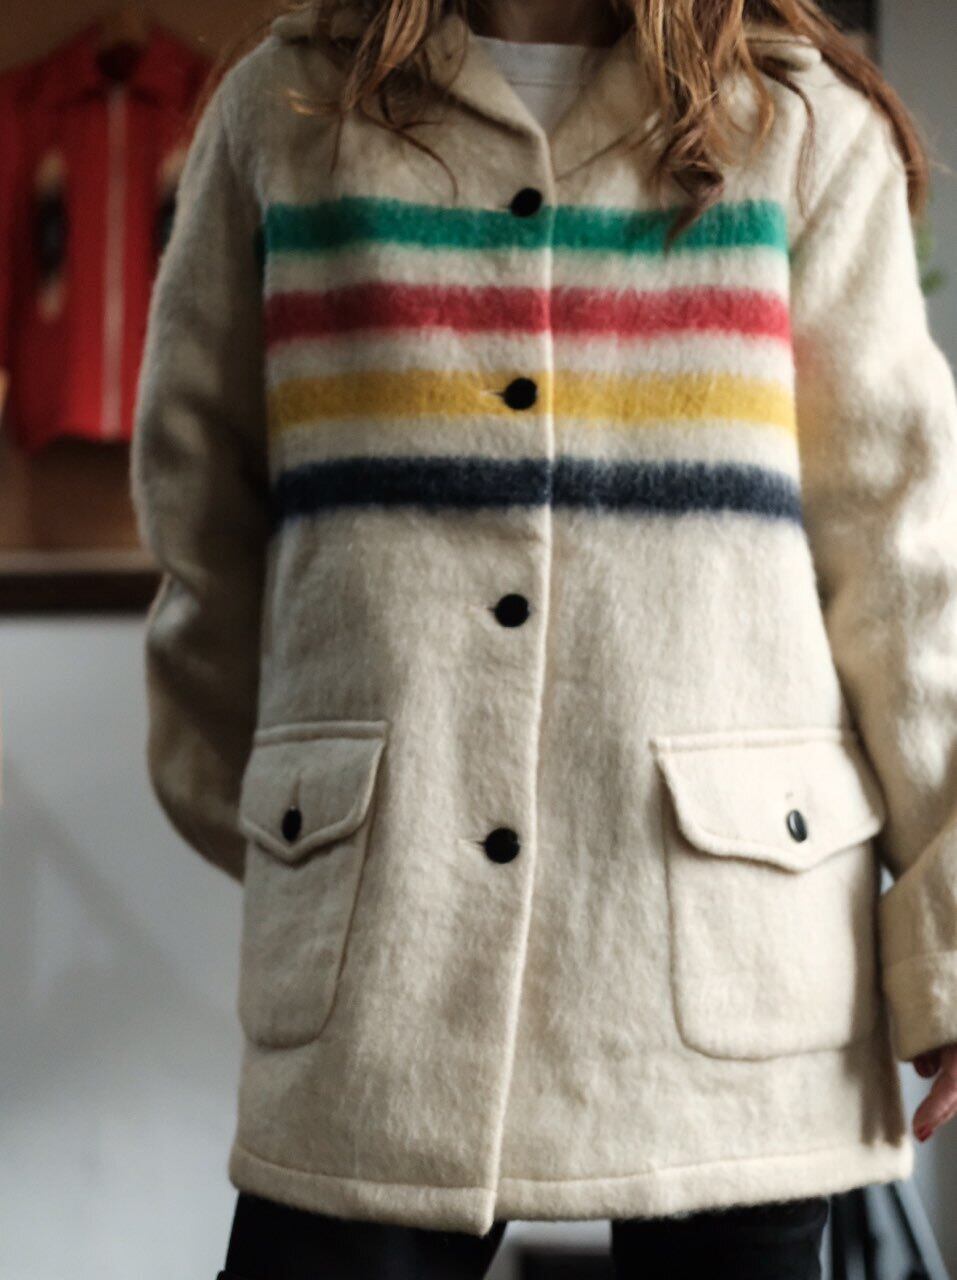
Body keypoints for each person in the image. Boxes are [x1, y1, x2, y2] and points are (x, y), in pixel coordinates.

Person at [129, 0, 957, 1276]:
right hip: (389, 974)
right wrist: (319, 830)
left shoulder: (799, 131)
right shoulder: (284, 118)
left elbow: (902, 562)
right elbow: (205, 518)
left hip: (740, 965)